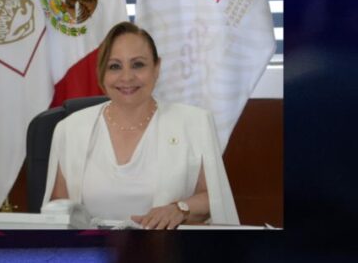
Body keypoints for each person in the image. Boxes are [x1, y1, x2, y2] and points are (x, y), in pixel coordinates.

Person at [43, 21, 239, 229]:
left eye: (138, 64)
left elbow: (214, 198)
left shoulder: (194, 123)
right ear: (101, 73)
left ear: (156, 68)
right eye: (115, 66)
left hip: (168, 246)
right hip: (94, 247)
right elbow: (59, 213)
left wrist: (180, 209)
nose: (127, 77)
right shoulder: (70, 129)